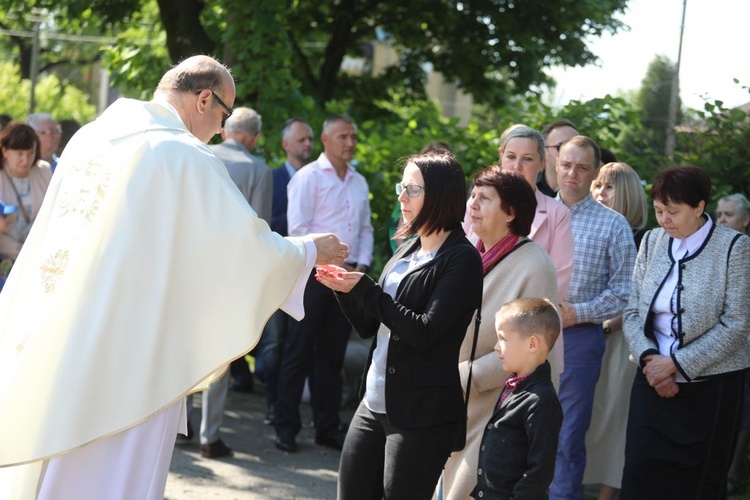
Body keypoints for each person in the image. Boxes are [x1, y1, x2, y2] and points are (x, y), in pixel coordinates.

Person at [0, 55, 349, 499]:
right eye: (224, 114)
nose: (223, 130)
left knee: (59, 454)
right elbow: (243, 246)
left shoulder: (91, 138)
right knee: (113, 472)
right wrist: (309, 249)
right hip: (133, 347)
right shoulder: (181, 153)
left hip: (62, 326)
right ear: (204, 98)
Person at [316, 152, 483, 500]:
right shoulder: (407, 249)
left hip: (420, 414)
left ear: (439, 194)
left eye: (412, 188)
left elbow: (425, 332)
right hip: (374, 402)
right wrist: (344, 290)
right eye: (401, 186)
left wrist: (366, 290)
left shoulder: (462, 260)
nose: (401, 196)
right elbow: (370, 326)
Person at [621, 167, 750, 498]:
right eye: (659, 211)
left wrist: (677, 364)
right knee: (639, 472)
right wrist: (653, 361)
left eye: (673, 212)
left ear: (699, 206)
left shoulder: (735, 247)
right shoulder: (651, 241)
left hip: (712, 391)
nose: (664, 220)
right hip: (651, 382)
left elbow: (737, 323)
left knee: (700, 485)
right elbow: (633, 311)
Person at [442, 167, 560, 500]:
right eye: (472, 196)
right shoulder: (467, 252)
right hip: (456, 401)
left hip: (501, 407)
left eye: (484, 199)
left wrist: (466, 376)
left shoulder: (536, 264)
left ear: (511, 212)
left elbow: (535, 346)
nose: (472, 205)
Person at [275, 114, 374, 452]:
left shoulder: (359, 182)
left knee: (332, 354)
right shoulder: (308, 177)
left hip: (345, 278)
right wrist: (327, 259)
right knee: (298, 351)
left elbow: (364, 229)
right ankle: (285, 425)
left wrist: (359, 262)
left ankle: (326, 426)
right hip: (312, 276)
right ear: (326, 140)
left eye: (353, 136)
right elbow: (297, 230)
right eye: (343, 136)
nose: (350, 142)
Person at [182, 106, 275, 459]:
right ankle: (210, 435)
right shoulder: (259, 169)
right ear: (253, 137)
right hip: (228, 274)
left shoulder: (198, 154)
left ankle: (183, 425)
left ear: (226, 131)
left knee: (187, 348)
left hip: (190, 267)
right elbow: (259, 229)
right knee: (218, 353)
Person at [550, 136, 636, 500]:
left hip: (579, 338)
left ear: (593, 172)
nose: (573, 173)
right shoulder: (532, 214)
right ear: (555, 164)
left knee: (568, 436)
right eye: (567, 164)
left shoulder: (614, 225)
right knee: (515, 428)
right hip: (521, 336)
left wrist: (575, 314)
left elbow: (625, 291)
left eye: (583, 167)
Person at [584, 162, 648, 499]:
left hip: (620, 340)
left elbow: (636, 297)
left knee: (613, 416)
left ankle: (607, 495)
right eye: (596, 186)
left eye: (608, 187)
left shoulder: (643, 239)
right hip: (587, 332)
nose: (599, 193)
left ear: (627, 193)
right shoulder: (587, 227)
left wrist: (608, 326)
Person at [471, 298, 563, 500]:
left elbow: (540, 471)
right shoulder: (513, 387)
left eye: (502, 338)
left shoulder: (541, 402)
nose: (496, 347)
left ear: (532, 344)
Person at [258, 117, 314, 426]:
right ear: (286, 145)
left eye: (310, 139)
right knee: (275, 341)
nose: (308, 144)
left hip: (309, 275)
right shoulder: (273, 178)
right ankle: (272, 404)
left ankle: (290, 408)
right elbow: (263, 222)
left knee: (300, 345)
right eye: (301, 139)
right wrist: (297, 225)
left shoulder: (319, 178)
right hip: (278, 271)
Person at [715, 192, 750, 494]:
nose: (721, 220)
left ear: (745, 220)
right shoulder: (711, 253)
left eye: (728, 215)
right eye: (718, 214)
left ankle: (731, 474)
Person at [0, 121, 53, 260]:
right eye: (19, 154)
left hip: (41, 251)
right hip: (6, 257)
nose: (26, 160)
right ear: (5, 151)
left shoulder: (44, 171)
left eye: (30, 153)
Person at [537, 119, 578, 197]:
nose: (572, 153)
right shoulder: (528, 188)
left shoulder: (591, 192)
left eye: (577, 147)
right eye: (561, 146)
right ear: (544, 151)